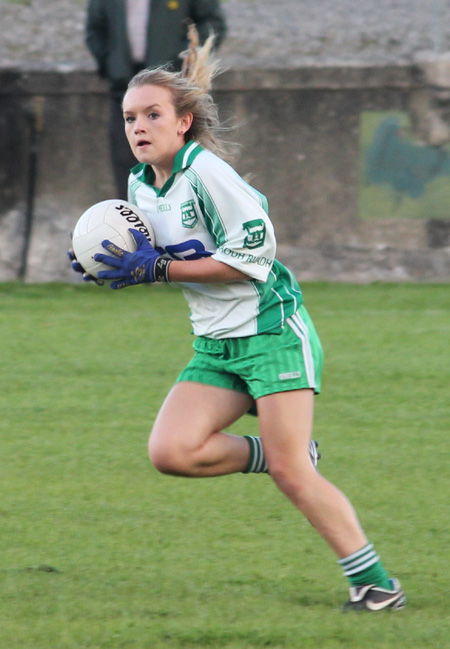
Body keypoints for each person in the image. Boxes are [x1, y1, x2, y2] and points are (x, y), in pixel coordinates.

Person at [70, 29, 406, 611]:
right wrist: (112, 264)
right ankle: (282, 451)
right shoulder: (137, 186)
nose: (138, 128)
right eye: (129, 118)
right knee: (171, 452)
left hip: (272, 332)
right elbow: (163, 258)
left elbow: (253, 259)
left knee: (292, 475)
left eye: (152, 115)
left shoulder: (208, 174)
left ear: (184, 121)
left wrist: (159, 271)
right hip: (216, 343)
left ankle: (377, 585)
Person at [85, 0, 227, 199]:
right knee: (128, 167)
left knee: (180, 164)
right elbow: (95, 30)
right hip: (124, 85)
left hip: (171, 85)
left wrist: (182, 59)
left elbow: (212, 22)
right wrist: (112, 64)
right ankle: (132, 223)